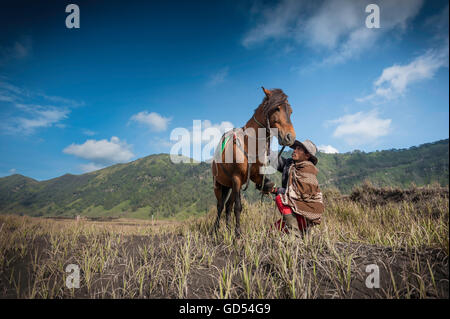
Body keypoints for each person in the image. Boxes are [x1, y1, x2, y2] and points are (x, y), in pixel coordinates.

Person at [270, 139, 324, 236]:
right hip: (294, 210)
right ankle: (299, 231)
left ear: (307, 155)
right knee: (272, 231)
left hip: (304, 211)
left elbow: (299, 194)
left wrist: (275, 190)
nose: (294, 150)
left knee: (280, 198)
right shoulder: (291, 165)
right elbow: (276, 161)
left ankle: (295, 235)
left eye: (299, 149)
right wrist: (264, 150)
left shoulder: (308, 170)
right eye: (295, 148)